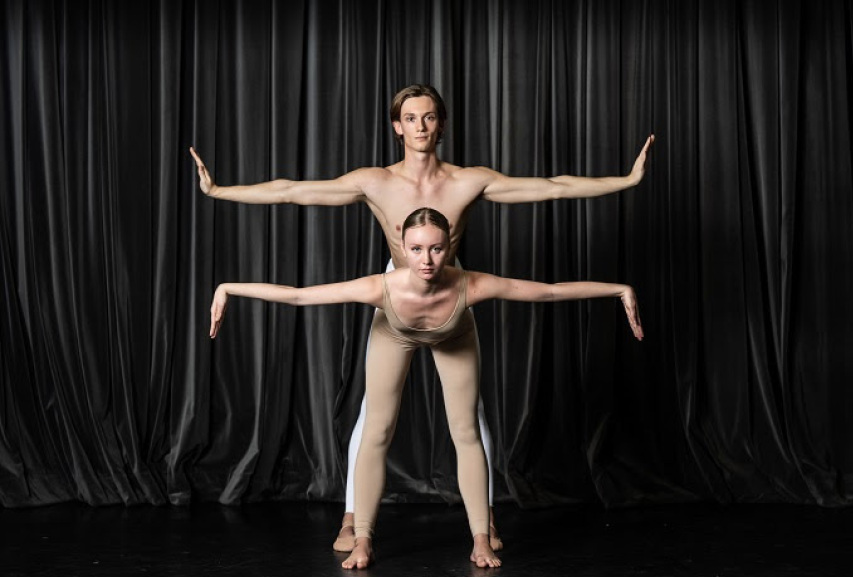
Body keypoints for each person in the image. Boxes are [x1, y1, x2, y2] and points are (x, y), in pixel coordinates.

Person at [191, 84, 654, 552]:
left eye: (429, 117)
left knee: (469, 419)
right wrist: (219, 191)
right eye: (410, 118)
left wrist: (626, 181)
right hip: (396, 292)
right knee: (374, 417)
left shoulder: (467, 182)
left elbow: (553, 187)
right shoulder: (375, 182)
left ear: (441, 124)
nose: (420, 127)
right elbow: (292, 192)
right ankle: (354, 518)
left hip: (450, 291)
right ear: (397, 126)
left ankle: (483, 523)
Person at [209, 208, 643, 569]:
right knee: (377, 429)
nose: (427, 260)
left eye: (436, 248)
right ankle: (363, 539)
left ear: (449, 244)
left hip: (454, 334)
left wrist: (619, 289)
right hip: (393, 333)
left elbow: (547, 292)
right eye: (416, 249)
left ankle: (481, 538)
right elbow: (299, 296)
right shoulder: (381, 287)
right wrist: (228, 288)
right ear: (401, 246)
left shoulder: (469, 284)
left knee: (466, 431)